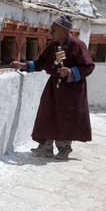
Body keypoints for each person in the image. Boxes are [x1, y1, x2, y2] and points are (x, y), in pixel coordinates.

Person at [10, 14, 95, 160]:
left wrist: (70, 71)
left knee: (66, 116)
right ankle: (45, 147)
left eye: (54, 31)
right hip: (54, 87)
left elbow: (88, 66)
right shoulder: (53, 46)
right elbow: (40, 62)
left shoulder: (77, 45)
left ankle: (64, 148)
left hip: (71, 90)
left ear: (64, 31)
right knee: (47, 113)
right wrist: (22, 65)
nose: (51, 33)